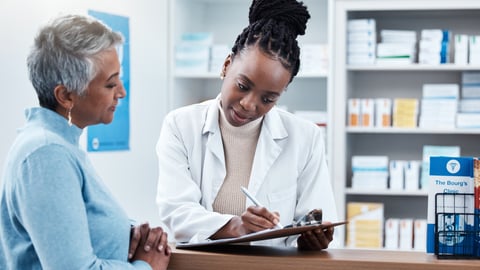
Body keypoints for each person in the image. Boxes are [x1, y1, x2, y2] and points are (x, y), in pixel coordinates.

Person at [156, 0, 338, 250]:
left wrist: (312, 238)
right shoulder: (180, 125)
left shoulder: (305, 137)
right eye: (242, 86)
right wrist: (237, 226)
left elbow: (317, 217)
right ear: (227, 65)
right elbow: (176, 212)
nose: (249, 105)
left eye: (268, 99)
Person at [0, 14, 170, 269]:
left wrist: (127, 234)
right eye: (111, 84)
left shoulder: (58, 146)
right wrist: (146, 266)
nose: (121, 92)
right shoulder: (47, 153)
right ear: (66, 95)